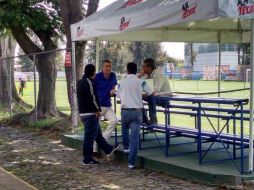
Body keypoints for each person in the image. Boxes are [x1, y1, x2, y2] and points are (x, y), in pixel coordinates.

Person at [77, 64, 118, 165]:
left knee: (98, 135)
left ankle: (108, 149)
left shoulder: (80, 82)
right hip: (91, 113)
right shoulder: (89, 83)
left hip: (83, 112)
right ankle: (87, 158)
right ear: (93, 73)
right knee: (89, 137)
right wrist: (97, 110)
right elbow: (92, 98)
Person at [118, 62, 153, 169]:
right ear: (136, 70)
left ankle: (125, 147)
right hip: (137, 111)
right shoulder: (141, 82)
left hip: (124, 110)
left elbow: (118, 94)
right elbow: (151, 92)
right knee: (134, 138)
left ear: (127, 70)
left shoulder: (122, 82)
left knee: (124, 127)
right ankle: (131, 163)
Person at [139, 58, 171, 124]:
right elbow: (141, 86)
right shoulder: (148, 75)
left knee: (151, 97)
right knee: (138, 97)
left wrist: (146, 93)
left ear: (150, 67)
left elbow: (156, 90)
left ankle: (153, 119)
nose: (142, 69)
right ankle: (144, 117)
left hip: (165, 98)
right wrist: (140, 76)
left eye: (144, 67)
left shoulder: (157, 74)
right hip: (155, 97)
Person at [95, 60, 118, 143]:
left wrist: (113, 92)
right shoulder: (97, 76)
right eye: (106, 66)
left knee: (115, 121)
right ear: (103, 67)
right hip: (98, 106)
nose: (108, 68)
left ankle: (103, 140)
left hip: (107, 106)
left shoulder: (113, 75)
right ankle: (94, 149)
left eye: (110, 66)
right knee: (96, 127)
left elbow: (113, 88)